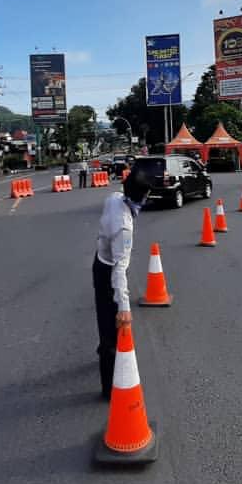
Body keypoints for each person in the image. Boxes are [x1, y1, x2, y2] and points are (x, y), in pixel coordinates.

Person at [92, 168, 151, 399]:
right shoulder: (124, 227)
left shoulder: (114, 198)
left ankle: (103, 345)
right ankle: (110, 388)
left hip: (99, 260)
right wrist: (125, 307)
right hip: (108, 270)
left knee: (103, 317)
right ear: (142, 196)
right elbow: (119, 270)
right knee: (112, 325)